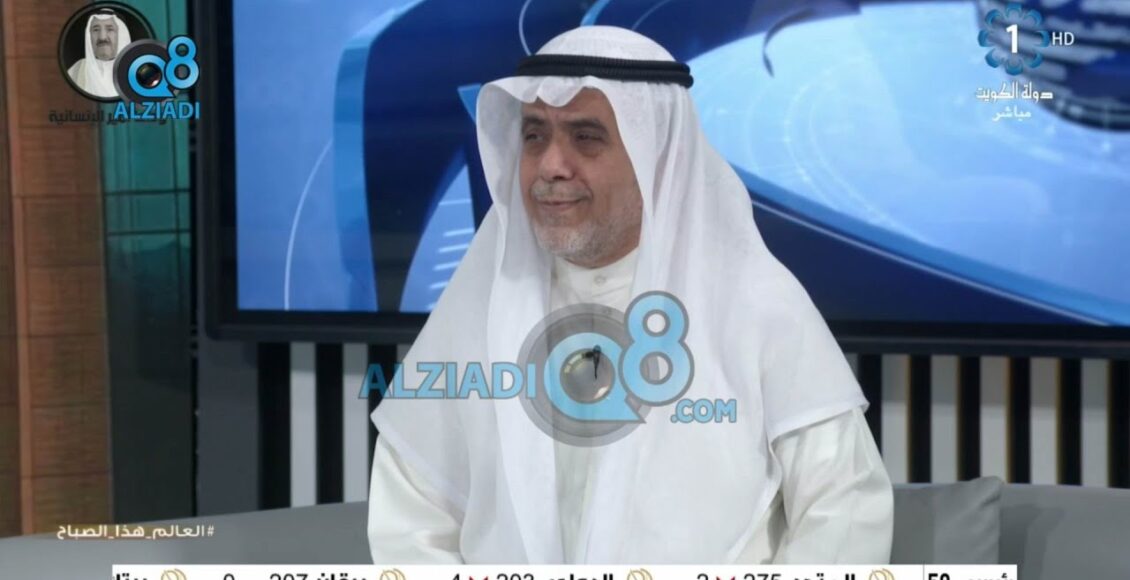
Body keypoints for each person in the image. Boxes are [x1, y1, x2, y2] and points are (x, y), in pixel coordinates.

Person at [367, 25, 893, 564]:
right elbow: (412, 516)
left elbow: (845, 508)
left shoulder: (756, 304)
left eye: (585, 137)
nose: (551, 166)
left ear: (655, 157)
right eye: (535, 136)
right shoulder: (482, 301)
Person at [66, 9, 131, 98]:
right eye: (96, 30)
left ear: (121, 35)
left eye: (110, 29)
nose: (102, 37)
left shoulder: (135, 71)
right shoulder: (77, 69)